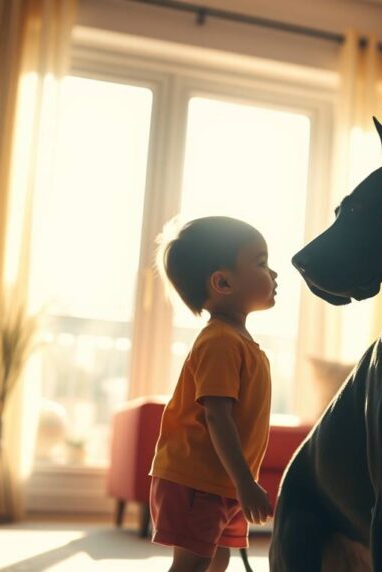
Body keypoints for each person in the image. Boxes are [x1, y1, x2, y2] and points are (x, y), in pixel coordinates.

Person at [149, 216, 278, 572]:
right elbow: (216, 415)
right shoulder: (220, 341)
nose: (274, 274)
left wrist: (238, 484)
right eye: (262, 263)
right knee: (192, 564)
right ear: (222, 282)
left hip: (221, 482)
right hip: (199, 479)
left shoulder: (239, 342)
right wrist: (245, 482)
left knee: (216, 560)